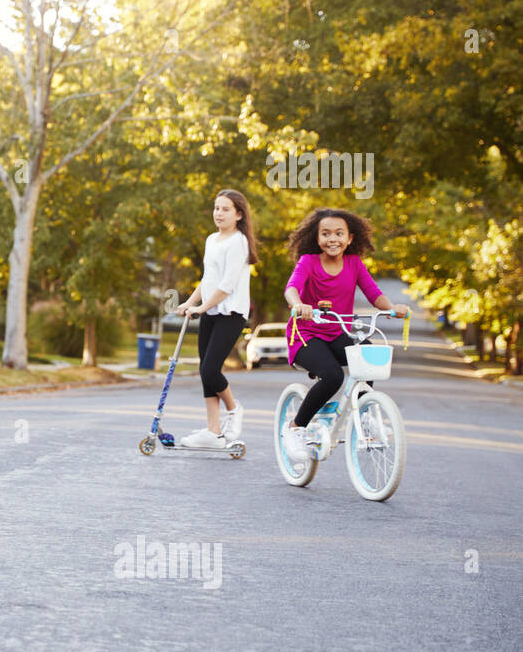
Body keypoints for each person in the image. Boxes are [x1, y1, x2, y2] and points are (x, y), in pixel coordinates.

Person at [281, 208, 409, 461]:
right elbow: (292, 287)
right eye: (326, 233)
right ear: (317, 238)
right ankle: (295, 428)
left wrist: (392, 309)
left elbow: (374, 294)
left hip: (336, 332)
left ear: (350, 238)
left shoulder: (354, 264)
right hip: (305, 334)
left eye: (339, 234)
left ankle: (365, 414)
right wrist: (298, 305)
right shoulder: (308, 261)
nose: (333, 239)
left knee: (368, 353)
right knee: (332, 376)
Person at [175, 189, 258, 448]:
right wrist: (190, 302)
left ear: (239, 214)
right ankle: (213, 432)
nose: (218, 213)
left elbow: (228, 285)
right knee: (205, 372)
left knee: (211, 369)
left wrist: (201, 307)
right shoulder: (212, 240)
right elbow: (208, 280)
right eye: (216, 208)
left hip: (230, 314)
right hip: (210, 312)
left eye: (225, 209)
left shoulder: (239, 242)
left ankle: (234, 410)